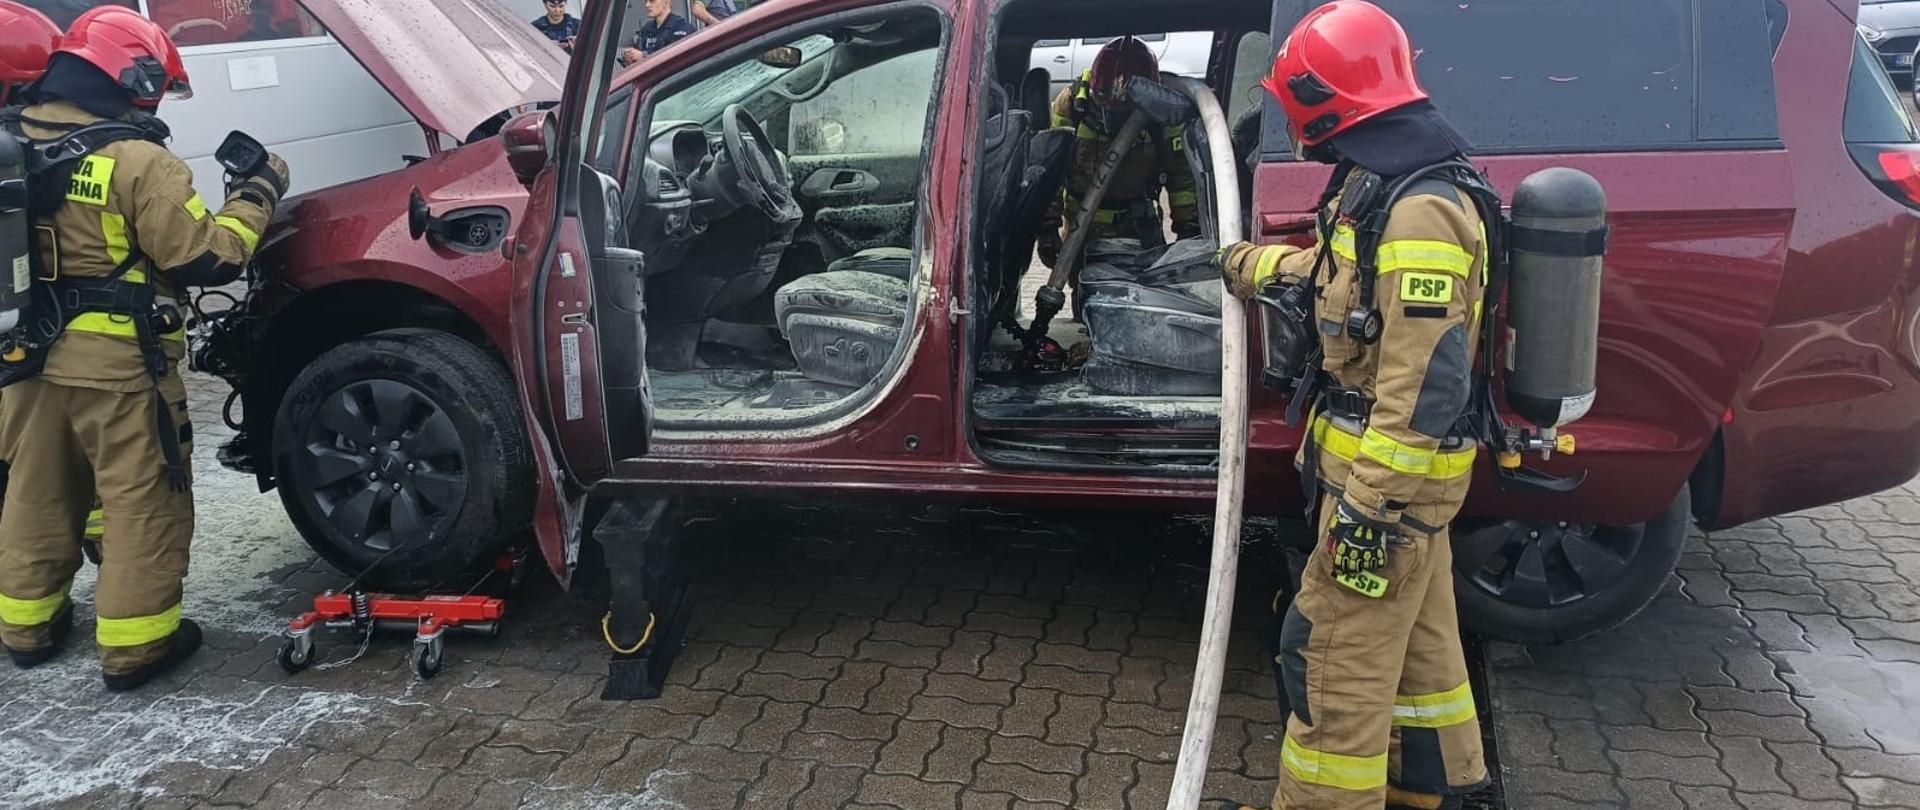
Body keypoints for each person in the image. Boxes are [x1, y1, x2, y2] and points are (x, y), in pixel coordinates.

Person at [1213, 2, 1489, 808]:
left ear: (1317, 99)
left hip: (1387, 491)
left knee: (1329, 664)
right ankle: (1435, 787)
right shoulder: (1388, 182)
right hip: (1402, 491)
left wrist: (1369, 512)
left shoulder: (1421, 210)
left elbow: (1425, 387)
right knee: (1420, 649)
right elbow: (1342, 289)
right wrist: (1244, 265)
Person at [0, 5, 289, 690]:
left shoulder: (10, 141)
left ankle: (26, 628)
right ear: (133, 76)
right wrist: (258, 192)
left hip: (22, 363)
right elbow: (210, 259)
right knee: (142, 497)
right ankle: (137, 646)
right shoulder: (136, 161)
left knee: (35, 492)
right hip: (118, 370)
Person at [1037, 36, 1199, 287]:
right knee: (1085, 295)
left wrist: (1188, 230)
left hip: (1136, 229)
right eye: (1107, 107)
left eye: (1122, 111)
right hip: (1081, 231)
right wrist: (1047, 227)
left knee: (1140, 295)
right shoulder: (1072, 105)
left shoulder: (1161, 114)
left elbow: (1182, 177)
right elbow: (1051, 168)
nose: (1113, 116)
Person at [620, 0, 694, 67]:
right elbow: (639, 54)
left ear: (666, 2)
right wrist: (630, 58)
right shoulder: (646, 29)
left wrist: (644, 56)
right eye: (645, 1)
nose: (647, 5)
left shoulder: (681, 27)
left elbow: (677, 58)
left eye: (652, 1)